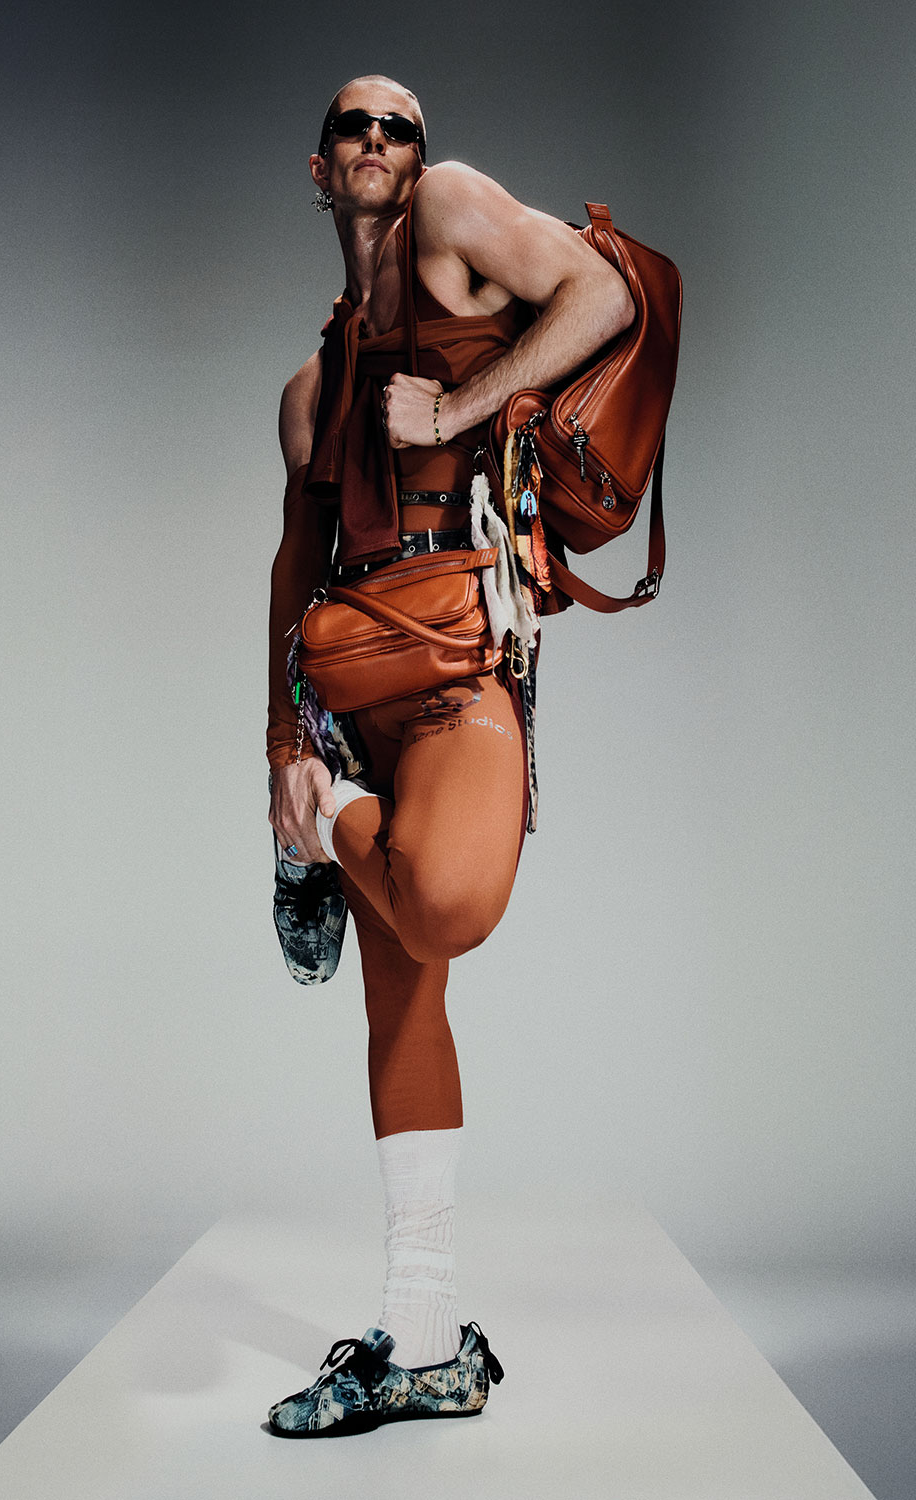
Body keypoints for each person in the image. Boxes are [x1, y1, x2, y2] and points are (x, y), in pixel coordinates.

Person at [266, 75, 633, 1438]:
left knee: (446, 904)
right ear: (318, 169)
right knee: (403, 1013)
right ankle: (424, 1344)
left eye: (398, 127)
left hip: (461, 671)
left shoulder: (453, 212)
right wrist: (280, 752)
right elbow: (291, 572)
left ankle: (330, 833)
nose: (378, 142)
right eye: (352, 128)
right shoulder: (311, 389)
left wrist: (462, 405)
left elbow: (604, 297)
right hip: (350, 693)